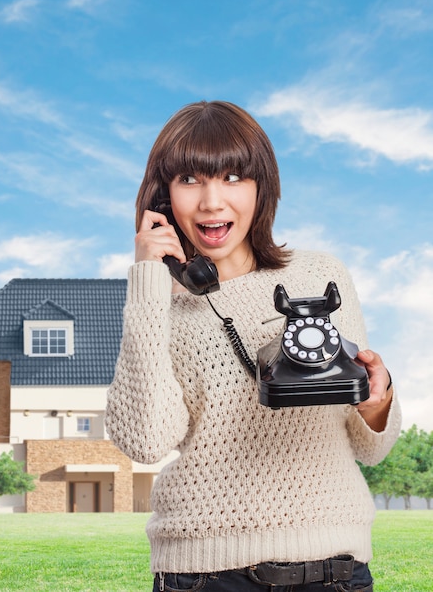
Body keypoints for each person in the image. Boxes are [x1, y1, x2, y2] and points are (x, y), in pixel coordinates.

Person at [105, 101, 401, 591]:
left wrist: (379, 397)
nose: (212, 202)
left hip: (335, 566)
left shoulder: (321, 276)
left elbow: (371, 445)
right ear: (161, 198)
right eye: (190, 179)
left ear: (262, 187)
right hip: (204, 570)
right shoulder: (158, 306)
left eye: (233, 177)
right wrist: (147, 285)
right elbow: (146, 441)